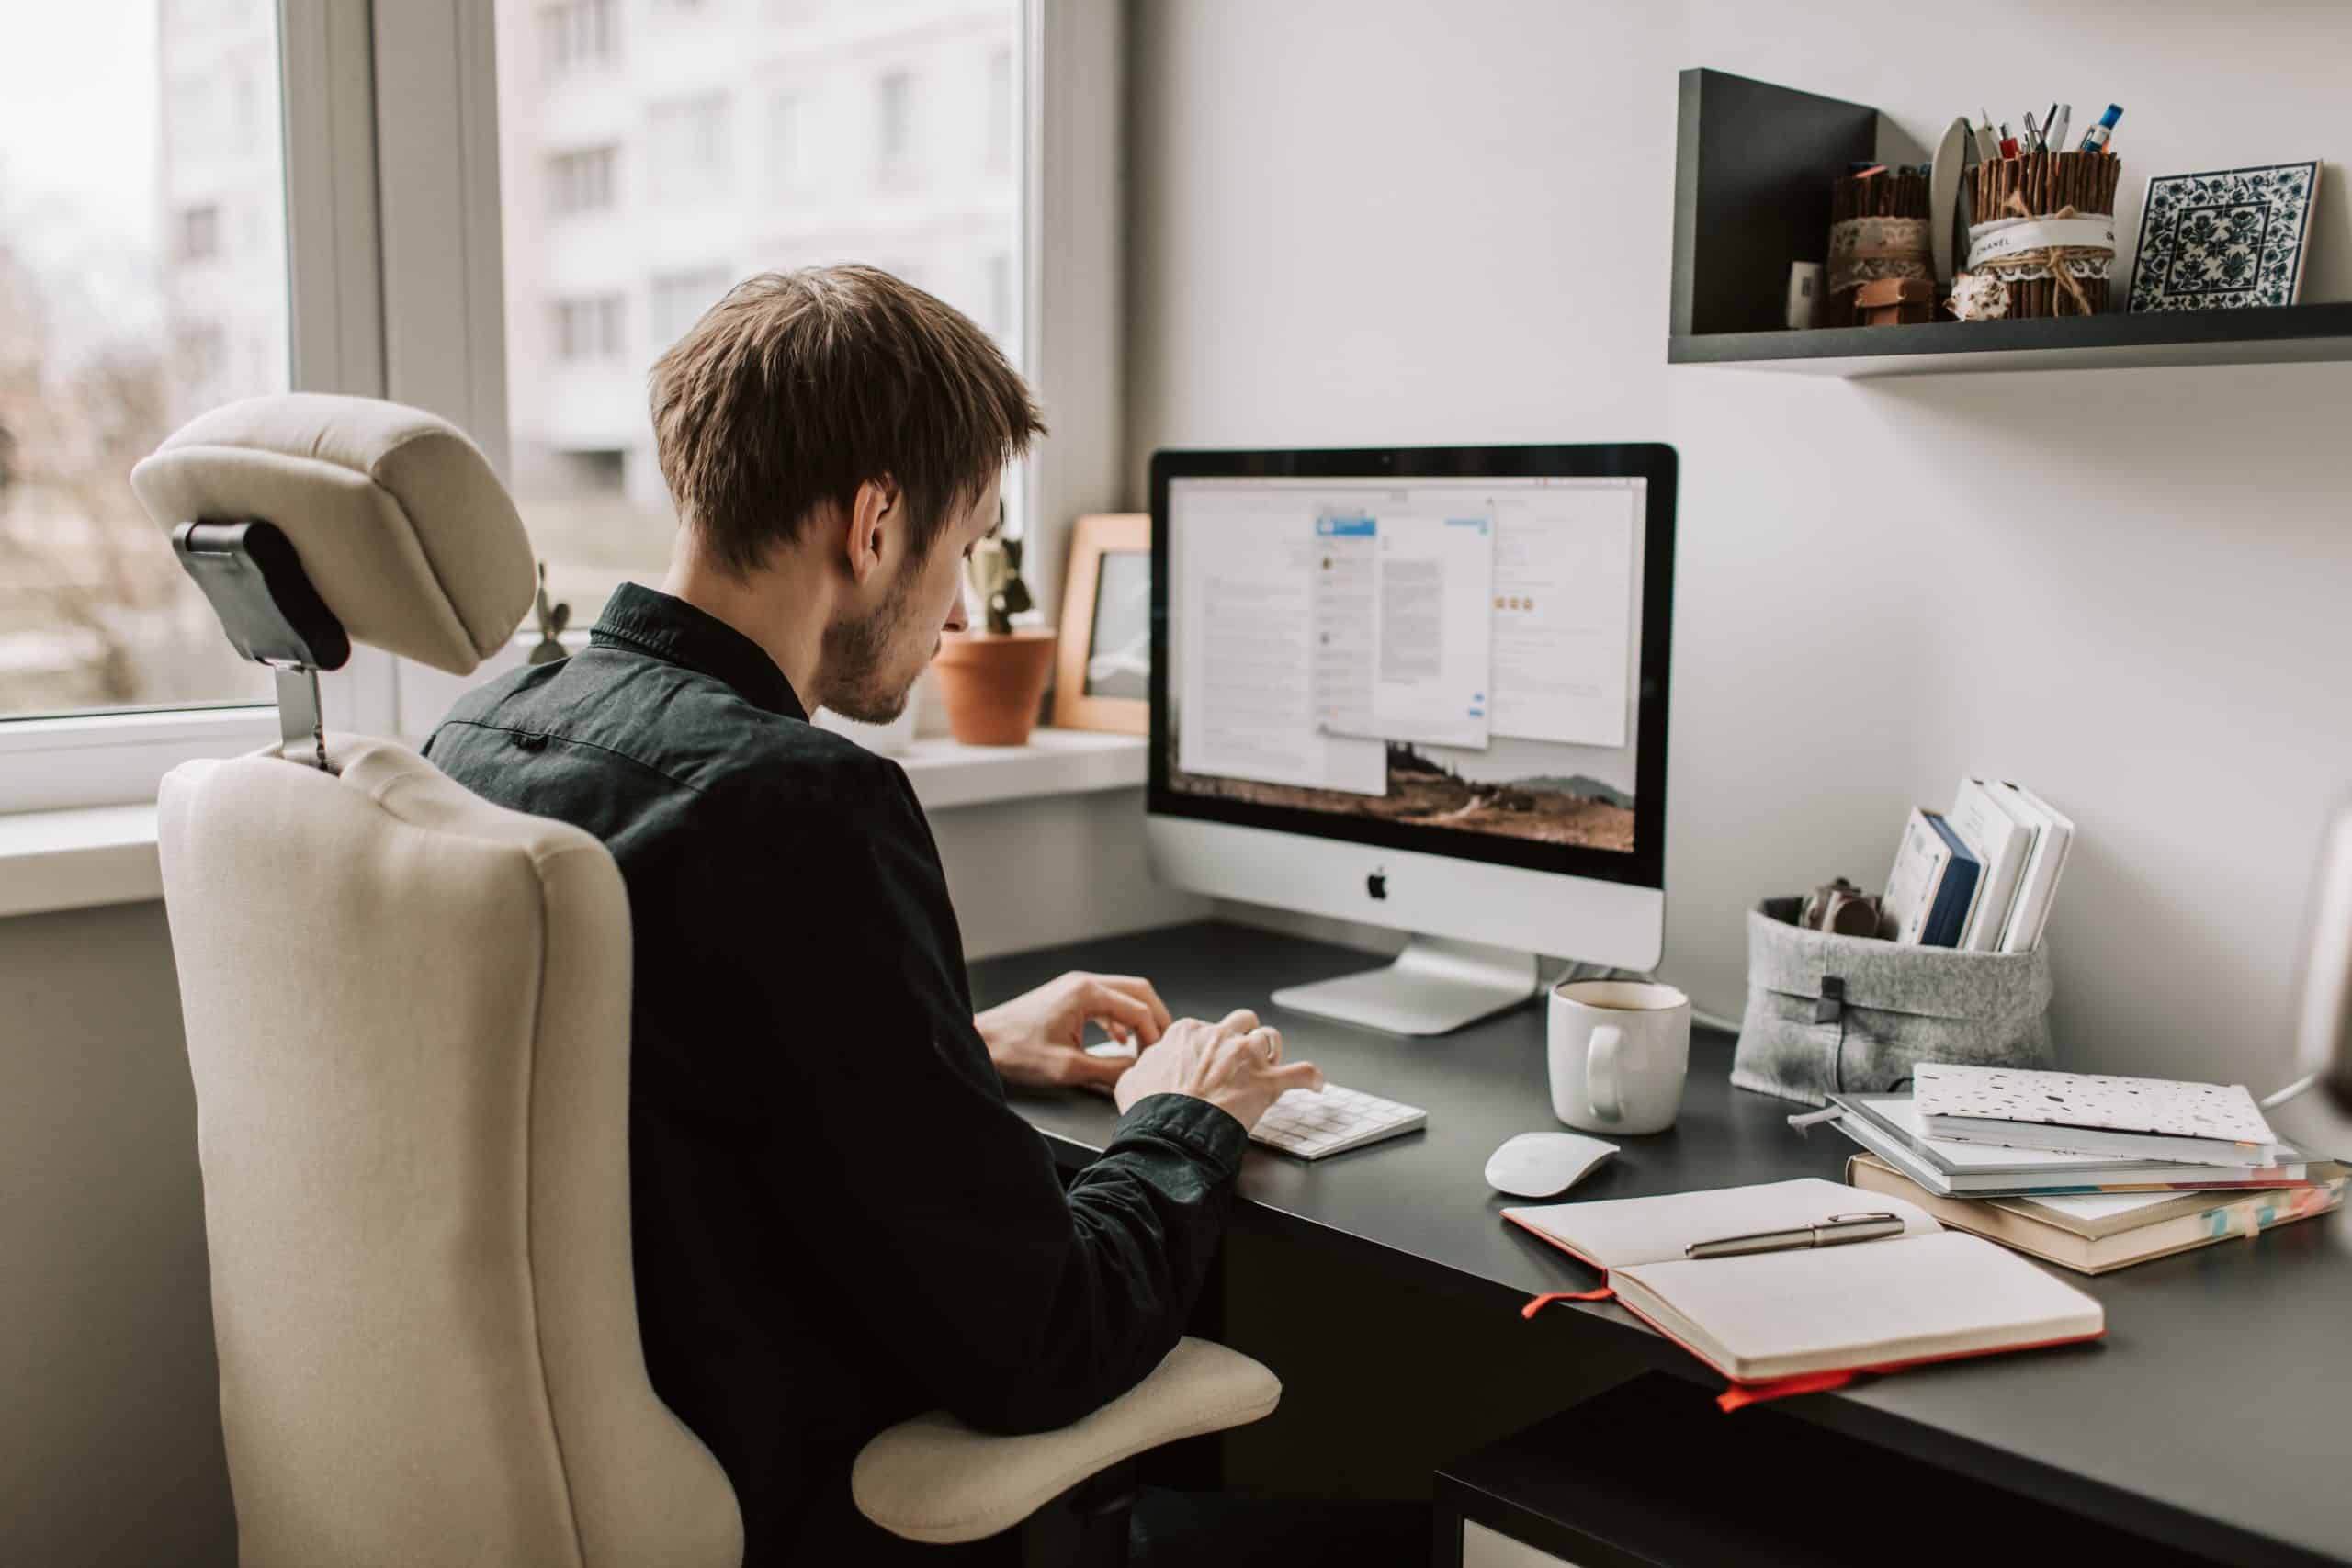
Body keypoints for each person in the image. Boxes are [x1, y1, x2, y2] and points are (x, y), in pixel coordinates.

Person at [425, 266, 1415, 1565]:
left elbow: (639, 1068)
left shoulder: (486, 727)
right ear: (875, 522)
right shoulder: (800, 808)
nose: (959, 608)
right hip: (788, 1492)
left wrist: (959, 1038)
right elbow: (1043, 1345)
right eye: (966, 547)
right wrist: (1188, 1114)